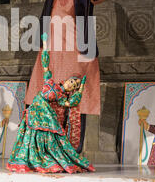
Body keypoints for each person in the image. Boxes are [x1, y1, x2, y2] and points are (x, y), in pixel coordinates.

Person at [25, 0, 108, 153]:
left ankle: (71, 151)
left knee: (74, 97)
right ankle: (47, 150)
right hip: (51, 45)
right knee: (48, 95)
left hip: (78, 45)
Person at [7, 34, 95, 173]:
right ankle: (27, 160)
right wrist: (45, 44)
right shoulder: (50, 81)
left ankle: (44, 159)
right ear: (66, 80)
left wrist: (81, 88)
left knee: (46, 136)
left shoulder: (60, 97)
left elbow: (69, 103)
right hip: (36, 108)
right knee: (30, 134)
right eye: (72, 82)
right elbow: (45, 64)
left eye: (74, 86)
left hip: (46, 113)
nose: (71, 85)